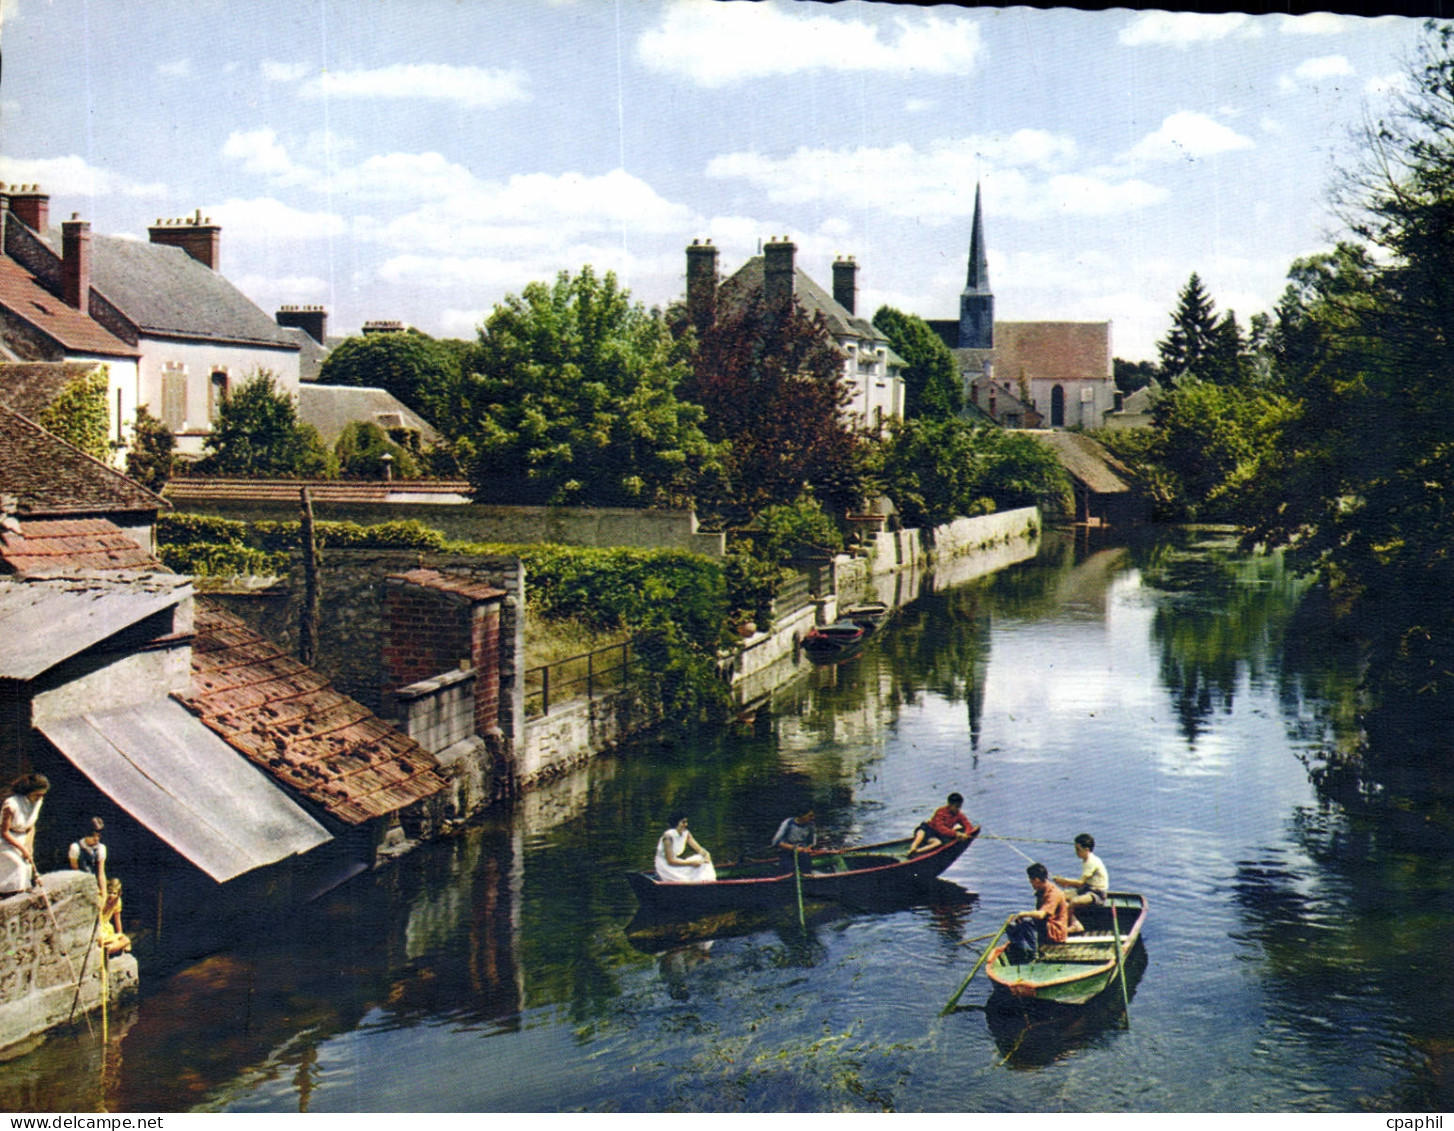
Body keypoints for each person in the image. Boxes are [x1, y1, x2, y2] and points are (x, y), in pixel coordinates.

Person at [1005, 862, 1070, 963]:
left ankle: (1034, 954)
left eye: (1031, 881)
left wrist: (1024, 913)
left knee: (1027, 922)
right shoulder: (1042, 890)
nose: (1031, 884)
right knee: (1011, 925)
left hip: (1055, 931)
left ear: (1037, 880)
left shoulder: (1053, 894)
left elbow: (1041, 914)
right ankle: (1021, 948)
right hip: (1046, 925)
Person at [0, 773, 49, 896]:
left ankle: (23, 894)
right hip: (6, 841)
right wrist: (22, 848)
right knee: (19, 866)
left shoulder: (38, 801)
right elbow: (4, 832)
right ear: (29, 791)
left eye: (42, 795)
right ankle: (9, 896)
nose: (40, 797)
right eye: (37, 794)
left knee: (27, 867)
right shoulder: (11, 804)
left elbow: (31, 826)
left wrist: (29, 845)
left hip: (23, 839)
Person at [1052, 832, 1109, 934]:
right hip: (1087, 889)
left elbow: (1080, 882)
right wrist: (1065, 882)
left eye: (1078, 849)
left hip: (1097, 894)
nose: (1076, 852)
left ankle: (1071, 926)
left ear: (1087, 850)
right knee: (1060, 895)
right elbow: (1082, 883)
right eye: (1075, 849)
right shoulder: (1086, 859)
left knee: (1074, 901)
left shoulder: (1091, 862)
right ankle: (1073, 921)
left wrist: (1064, 881)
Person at [654, 813, 717, 884]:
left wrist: (706, 855)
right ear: (676, 823)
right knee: (686, 877)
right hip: (666, 866)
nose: (686, 824)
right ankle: (698, 884)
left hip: (676, 862)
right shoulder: (668, 837)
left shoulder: (686, 834)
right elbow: (670, 861)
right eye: (683, 822)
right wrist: (691, 863)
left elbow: (700, 850)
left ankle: (707, 883)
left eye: (686, 822)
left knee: (700, 858)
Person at [907, 792, 976, 855]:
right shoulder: (941, 811)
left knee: (937, 843)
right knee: (920, 834)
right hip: (928, 828)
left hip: (936, 835)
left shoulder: (958, 815)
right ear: (949, 804)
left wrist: (966, 834)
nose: (958, 809)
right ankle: (913, 847)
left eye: (959, 806)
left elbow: (967, 825)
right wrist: (956, 834)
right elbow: (940, 828)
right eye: (956, 806)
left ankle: (917, 851)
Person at [68, 817, 108, 894]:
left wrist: (103, 893)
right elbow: (75, 872)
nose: (96, 839)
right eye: (93, 836)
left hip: (93, 886)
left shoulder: (101, 848)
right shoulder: (75, 848)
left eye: (98, 836)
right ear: (86, 834)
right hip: (78, 885)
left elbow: (101, 873)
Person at [771, 809, 817, 873]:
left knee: (806, 866)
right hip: (786, 852)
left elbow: (811, 842)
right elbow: (776, 842)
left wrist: (807, 848)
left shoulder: (811, 825)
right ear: (802, 815)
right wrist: (794, 848)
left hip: (802, 852)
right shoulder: (788, 823)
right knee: (788, 869)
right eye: (810, 816)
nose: (812, 818)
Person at [98, 877, 131, 957]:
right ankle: (108, 950)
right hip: (99, 929)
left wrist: (120, 934)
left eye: (114, 893)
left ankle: (110, 949)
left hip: (107, 929)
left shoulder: (117, 901)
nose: (111, 896)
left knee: (126, 941)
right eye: (109, 892)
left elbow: (117, 919)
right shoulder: (101, 899)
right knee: (122, 943)